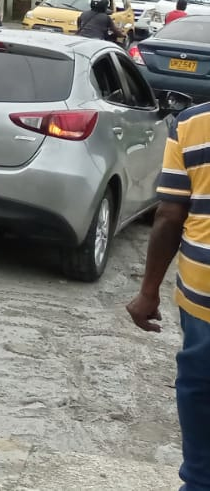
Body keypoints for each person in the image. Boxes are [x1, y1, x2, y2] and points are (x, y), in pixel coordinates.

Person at [126, 100, 210, 491]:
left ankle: (198, 480)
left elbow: (170, 215)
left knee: (200, 389)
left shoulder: (194, 124)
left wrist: (148, 292)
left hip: (204, 296)